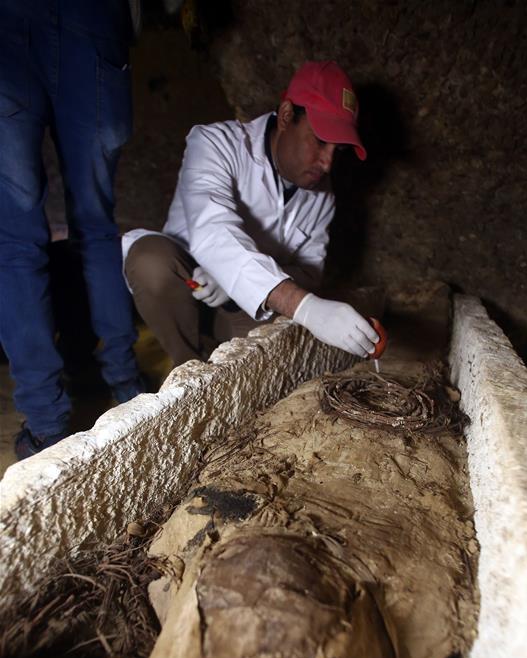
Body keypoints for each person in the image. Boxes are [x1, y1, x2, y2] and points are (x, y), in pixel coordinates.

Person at [123, 60, 379, 364]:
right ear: (286, 115)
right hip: (186, 286)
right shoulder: (215, 144)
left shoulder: (322, 195)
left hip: (244, 307)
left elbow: (309, 272)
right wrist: (305, 307)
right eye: (321, 141)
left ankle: (218, 359)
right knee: (150, 261)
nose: (327, 163)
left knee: (278, 359)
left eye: (339, 150)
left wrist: (237, 286)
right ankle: (188, 367)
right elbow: (212, 232)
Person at [0, 0, 146, 460]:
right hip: (93, 19)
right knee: (97, 225)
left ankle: (47, 426)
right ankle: (127, 387)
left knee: (14, 243)